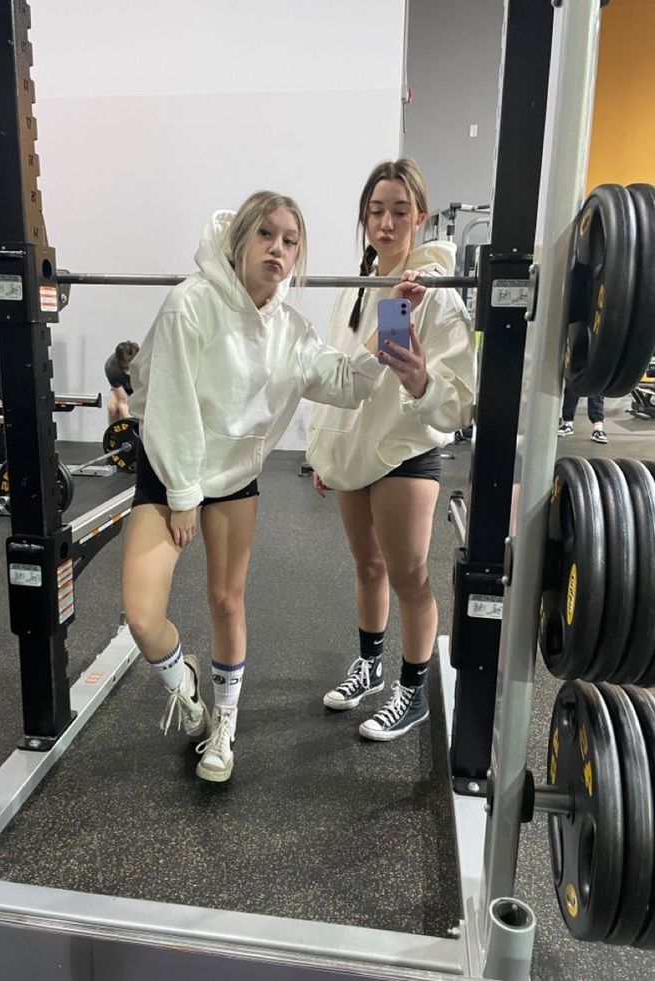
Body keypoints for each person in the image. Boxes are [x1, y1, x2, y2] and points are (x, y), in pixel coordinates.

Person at [122, 190, 425, 783]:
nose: (278, 250)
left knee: (227, 600)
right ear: (240, 241)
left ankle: (225, 725)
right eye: (266, 235)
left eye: (290, 241)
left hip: (234, 477)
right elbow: (172, 402)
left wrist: (396, 310)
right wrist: (183, 494)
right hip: (172, 471)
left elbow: (346, 380)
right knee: (140, 614)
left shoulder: (291, 329)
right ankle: (186, 689)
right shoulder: (191, 303)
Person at [307, 159, 476, 742]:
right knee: (369, 566)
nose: (386, 222)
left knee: (408, 574)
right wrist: (324, 452)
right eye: (376, 211)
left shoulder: (436, 295)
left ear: (420, 218)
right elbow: (336, 373)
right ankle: (371, 668)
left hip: (406, 451)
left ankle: (413, 691)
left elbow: (461, 400)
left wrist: (423, 382)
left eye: (400, 211)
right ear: (364, 218)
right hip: (353, 451)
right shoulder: (356, 290)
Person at [105, 340, 140, 425]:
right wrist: (130, 423)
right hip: (124, 388)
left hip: (140, 388)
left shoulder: (146, 363)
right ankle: (114, 436)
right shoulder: (111, 368)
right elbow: (123, 401)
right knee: (112, 408)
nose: (129, 373)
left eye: (131, 368)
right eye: (125, 368)